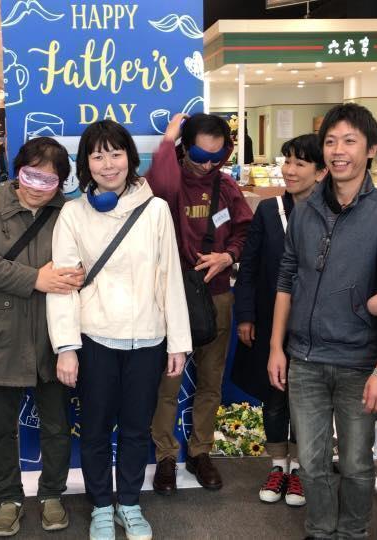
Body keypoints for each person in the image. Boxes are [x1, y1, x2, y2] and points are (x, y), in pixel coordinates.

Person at [268, 103, 377, 539]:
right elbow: (287, 278)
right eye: (331, 141)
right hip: (305, 359)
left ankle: (353, 532)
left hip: (359, 362)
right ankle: (319, 530)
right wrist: (277, 347)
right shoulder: (306, 209)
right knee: (312, 463)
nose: (338, 151)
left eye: (350, 141)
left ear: (371, 149)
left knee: (355, 463)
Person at [46, 120, 191, 540]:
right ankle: (100, 507)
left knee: (136, 428)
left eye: (115, 153)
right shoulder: (73, 214)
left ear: (130, 157)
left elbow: (170, 277)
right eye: (97, 156)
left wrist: (177, 342)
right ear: (85, 164)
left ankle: (128, 502)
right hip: (95, 339)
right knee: (94, 429)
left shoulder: (155, 209)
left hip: (148, 338)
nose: (108, 164)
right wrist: (66, 347)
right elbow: (63, 285)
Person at [0, 137, 85, 537]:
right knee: (0, 426)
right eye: (31, 175)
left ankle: (52, 494)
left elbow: (82, 265)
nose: (37, 186)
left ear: (62, 183)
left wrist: (72, 275)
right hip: (1, 332)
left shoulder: (69, 212)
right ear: (17, 170)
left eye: (49, 180)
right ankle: (8, 498)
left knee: (56, 424)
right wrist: (36, 279)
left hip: (53, 333)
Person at [149, 112, 252, 494]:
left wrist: (228, 256)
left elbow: (245, 231)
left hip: (218, 294)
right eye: (198, 155)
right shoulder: (171, 183)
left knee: (211, 381)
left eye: (216, 157)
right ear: (184, 149)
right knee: (168, 382)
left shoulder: (227, 186)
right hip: (172, 298)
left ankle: (200, 452)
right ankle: (165, 456)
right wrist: (168, 140)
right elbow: (158, 183)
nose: (207, 164)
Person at [232, 133, 326, 506]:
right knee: (274, 396)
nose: (289, 170)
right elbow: (249, 266)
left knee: (308, 398)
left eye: (300, 163)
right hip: (271, 320)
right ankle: (277, 466)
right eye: (287, 161)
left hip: (316, 325)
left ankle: (301, 469)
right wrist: (245, 315)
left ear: (320, 172)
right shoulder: (270, 211)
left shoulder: (331, 214)